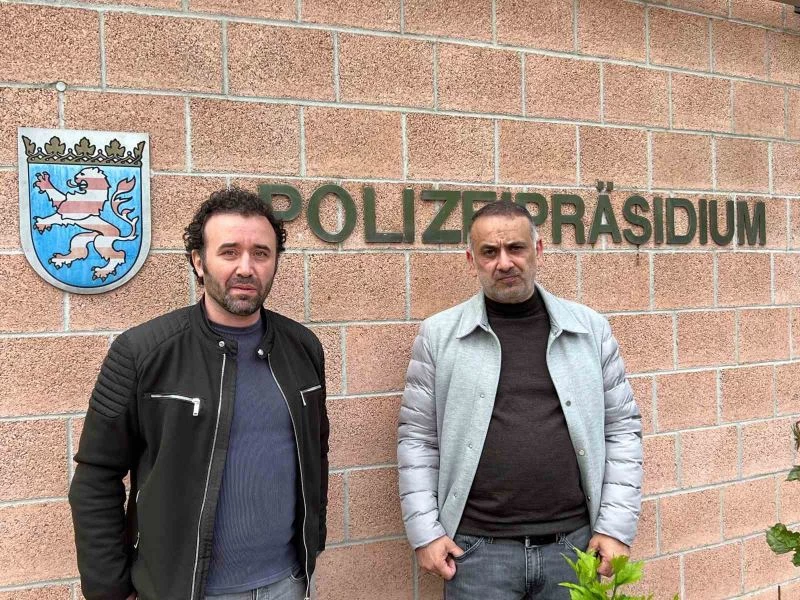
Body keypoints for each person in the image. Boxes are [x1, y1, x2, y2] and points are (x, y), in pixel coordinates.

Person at [69, 187, 328, 600]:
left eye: (261, 253)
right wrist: (109, 590)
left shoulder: (303, 348)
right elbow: (96, 476)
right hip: (184, 590)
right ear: (198, 261)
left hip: (288, 584)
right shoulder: (141, 352)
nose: (246, 267)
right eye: (229, 252)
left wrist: (314, 542)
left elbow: (316, 452)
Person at [398, 200, 642, 599]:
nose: (504, 262)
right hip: (476, 553)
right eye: (489, 252)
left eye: (516, 248)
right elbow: (417, 439)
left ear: (538, 250)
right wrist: (425, 533)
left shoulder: (589, 330)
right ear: (472, 259)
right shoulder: (439, 336)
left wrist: (615, 528)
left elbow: (622, 430)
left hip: (574, 548)